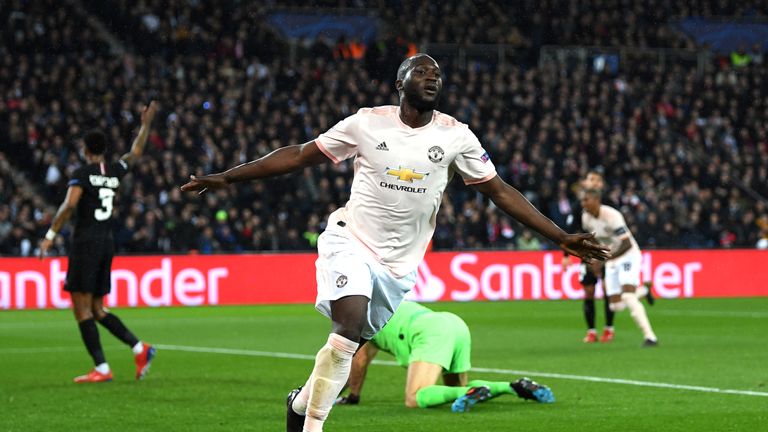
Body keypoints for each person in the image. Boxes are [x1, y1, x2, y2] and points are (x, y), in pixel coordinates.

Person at [180, 54, 608, 432]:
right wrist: (227, 177)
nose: (432, 77)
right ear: (400, 83)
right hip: (351, 241)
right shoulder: (366, 123)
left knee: (349, 346)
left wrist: (560, 236)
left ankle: (298, 405)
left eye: (437, 73)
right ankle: (313, 427)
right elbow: (299, 154)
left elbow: (499, 191)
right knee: (347, 325)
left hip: (398, 268)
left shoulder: (457, 136)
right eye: (421, 71)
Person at [39, 101, 159, 382]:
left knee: (81, 308)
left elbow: (69, 206)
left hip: (85, 243)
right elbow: (136, 152)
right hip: (106, 243)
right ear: (102, 150)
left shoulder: (82, 174)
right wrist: (145, 125)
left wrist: (50, 236)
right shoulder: (114, 171)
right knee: (97, 309)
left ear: (85, 149)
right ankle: (140, 348)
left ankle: (102, 369)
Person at [335, 300, 554, 412]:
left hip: (429, 331)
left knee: (414, 398)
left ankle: (474, 390)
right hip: (454, 324)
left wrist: (353, 396)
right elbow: (365, 357)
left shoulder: (361, 319)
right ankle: (510, 387)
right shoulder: (388, 304)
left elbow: (359, 361)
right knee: (455, 392)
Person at [580, 188, 659, 347]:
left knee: (628, 296)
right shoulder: (586, 218)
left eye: (586, 200)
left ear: (596, 201)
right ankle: (643, 290)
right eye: (583, 200)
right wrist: (595, 256)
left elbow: (627, 242)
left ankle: (650, 336)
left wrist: (604, 259)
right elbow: (594, 239)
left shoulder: (612, 216)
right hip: (611, 258)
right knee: (615, 305)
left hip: (628, 254)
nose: (583, 203)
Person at [563, 170, 616, 343]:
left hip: (608, 253)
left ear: (602, 184)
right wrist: (566, 254)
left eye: (597, 180)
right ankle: (591, 331)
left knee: (609, 290)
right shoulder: (580, 205)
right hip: (588, 253)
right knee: (589, 291)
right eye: (590, 179)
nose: (593, 182)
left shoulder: (609, 203)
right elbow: (571, 231)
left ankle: (609, 328)